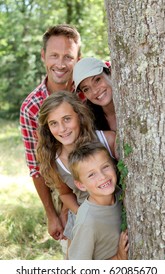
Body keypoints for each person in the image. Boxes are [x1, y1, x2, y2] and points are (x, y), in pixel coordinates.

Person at [19, 24, 81, 248]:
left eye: (68, 56)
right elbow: (36, 167)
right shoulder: (32, 107)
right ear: (43, 56)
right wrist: (51, 213)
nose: (61, 64)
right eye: (54, 55)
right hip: (62, 188)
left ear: (79, 58)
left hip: (100, 177)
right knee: (76, 253)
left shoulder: (88, 87)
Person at [36, 90, 118, 244]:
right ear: (47, 127)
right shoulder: (55, 160)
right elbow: (65, 193)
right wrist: (81, 214)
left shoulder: (108, 140)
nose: (62, 129)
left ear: (79, 116)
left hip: (114, 216)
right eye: (53, 123)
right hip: (84, 222)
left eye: (67, 119)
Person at [68, 141, 128, 260]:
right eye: (91, 175)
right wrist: (118, 258)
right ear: (81, 185)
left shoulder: (119, 193)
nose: (102, 176)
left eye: (105, 167)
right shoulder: (87, 221)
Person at [73, 57, 116, 131]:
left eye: (97, 80)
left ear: (110, 73)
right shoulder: (88, 121)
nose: (95, 91)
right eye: (86, 89)